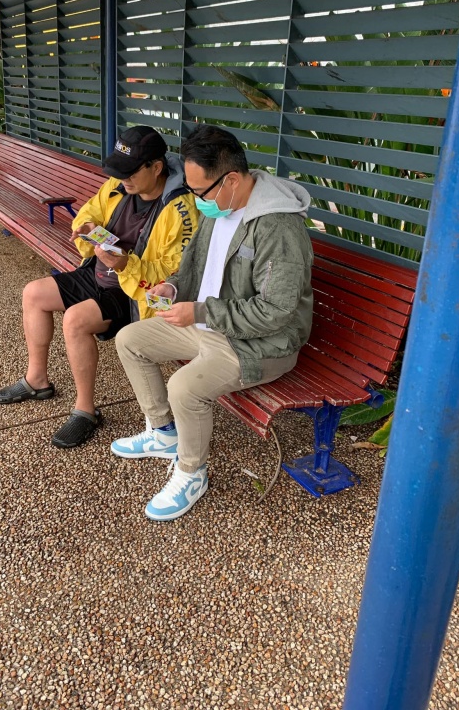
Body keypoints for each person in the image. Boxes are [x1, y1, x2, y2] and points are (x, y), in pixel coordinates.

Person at [111, 124, 314, 521]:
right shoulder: (220, 206)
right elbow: (193, 266)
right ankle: (162, 433)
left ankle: (192, 473)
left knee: (184, 387)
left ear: (231, 180)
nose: (196, 200)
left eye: (200, 191)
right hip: (209, 324)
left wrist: (200, 312)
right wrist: (173, 287)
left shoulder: (277, 227)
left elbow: (275, 312)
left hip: (261, 342)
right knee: (130, 339)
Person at [0, 125, 199, 449]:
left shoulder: (180, 209)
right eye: (119, 170)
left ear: (156, 167)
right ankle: (37, 380)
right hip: (99, 271)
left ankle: (85, 410)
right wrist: (87, 227)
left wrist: (125, 264)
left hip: (135, 294)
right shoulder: (118, 186)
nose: (123, 178)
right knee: (33, 293)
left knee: (75, 320)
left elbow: (173, 276)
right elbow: (89, 212)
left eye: (130, 171)